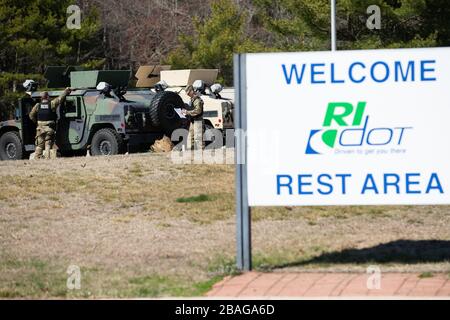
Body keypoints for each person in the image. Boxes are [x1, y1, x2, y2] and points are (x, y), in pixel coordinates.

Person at [29, 87, 72, 159]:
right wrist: (66, 91)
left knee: (39, 145)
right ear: (47, 97)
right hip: (49, 129)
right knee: (48, 143)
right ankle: (47, 158)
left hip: (40, 129)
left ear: (41, 98)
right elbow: (60, 99)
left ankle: (37, 158)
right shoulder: (51, 104)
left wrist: (37, 122)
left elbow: (31, 115)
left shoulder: (37, 105)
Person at [183, 85, 204, 150]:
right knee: (190, 138)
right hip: (193, 121)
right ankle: (191, 154)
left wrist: (187, 112)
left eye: (188, 93)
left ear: (192, 91)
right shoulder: (192, 100)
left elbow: (198, 111)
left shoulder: (197, 100)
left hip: (198, 121)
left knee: (198, 139)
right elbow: (191, 108)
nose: (188, 94)